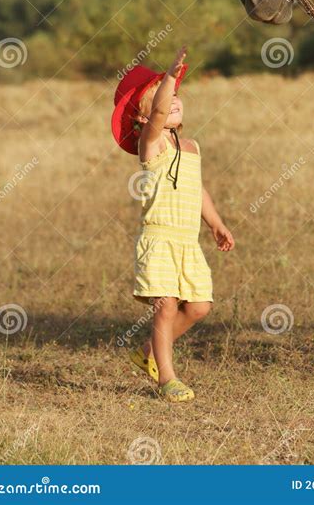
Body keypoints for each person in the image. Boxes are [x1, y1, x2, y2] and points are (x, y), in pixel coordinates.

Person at [111, 46, 235, 402]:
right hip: (159, 238)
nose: (174, 100)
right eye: (165, 97)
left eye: (178, 94)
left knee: (198, 307)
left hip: (186, 241)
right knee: (165, 305)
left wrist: (216, 224)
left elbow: (197, 189)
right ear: (141, 117)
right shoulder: (150, 144)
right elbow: (159, 114)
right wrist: (168, 77)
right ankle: (167, 379)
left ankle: (150, 351)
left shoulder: (191, 146)